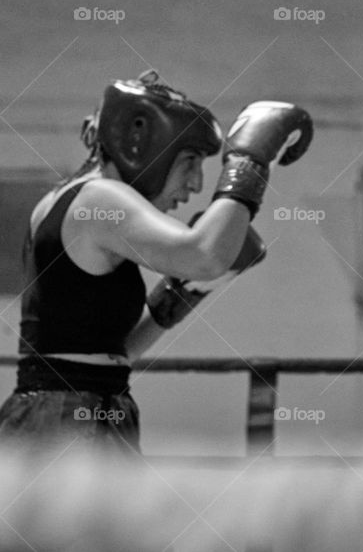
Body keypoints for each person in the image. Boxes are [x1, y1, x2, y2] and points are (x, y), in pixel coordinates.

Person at [0, 70, 313, 458]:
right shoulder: (98, 200)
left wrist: (178, 298)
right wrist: (249, 162)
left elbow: (106, 355)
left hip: (75, 408)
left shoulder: (72, 200)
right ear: (145, 145)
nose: (196, 184)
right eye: (190, 161)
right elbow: (205, 255)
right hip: (66, 417)